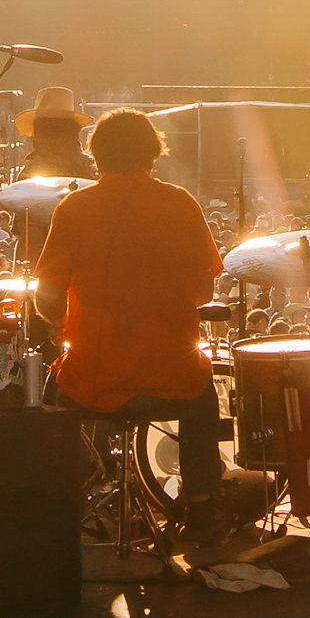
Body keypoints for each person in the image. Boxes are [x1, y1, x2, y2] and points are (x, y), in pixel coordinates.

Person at [31, 108, 233, 548]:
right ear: (153, 153)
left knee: (49, 396)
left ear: (96, 156)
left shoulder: (75, 207)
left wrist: (62, 326)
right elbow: (203, 288)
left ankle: (54, 508)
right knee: (204, 396)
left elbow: (47, 298)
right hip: (170, 376)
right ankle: (202, 506)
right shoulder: (181, 204)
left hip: (94, 376)